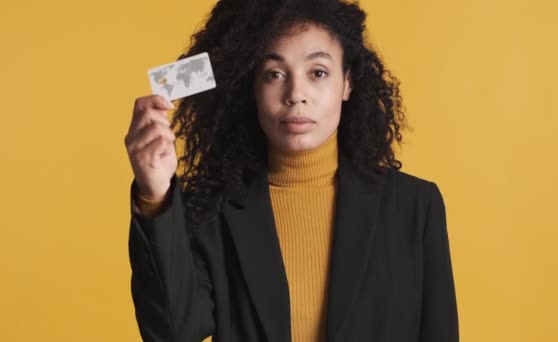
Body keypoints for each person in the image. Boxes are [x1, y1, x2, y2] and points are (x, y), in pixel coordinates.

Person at [124, 0, 459, 341]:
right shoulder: (212, 211)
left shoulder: (415, 206)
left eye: (318, 73)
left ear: (347, 83)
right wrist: (155, 195)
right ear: (252, 87)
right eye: (274, 74)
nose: (296, 95)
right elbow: (171, 332)